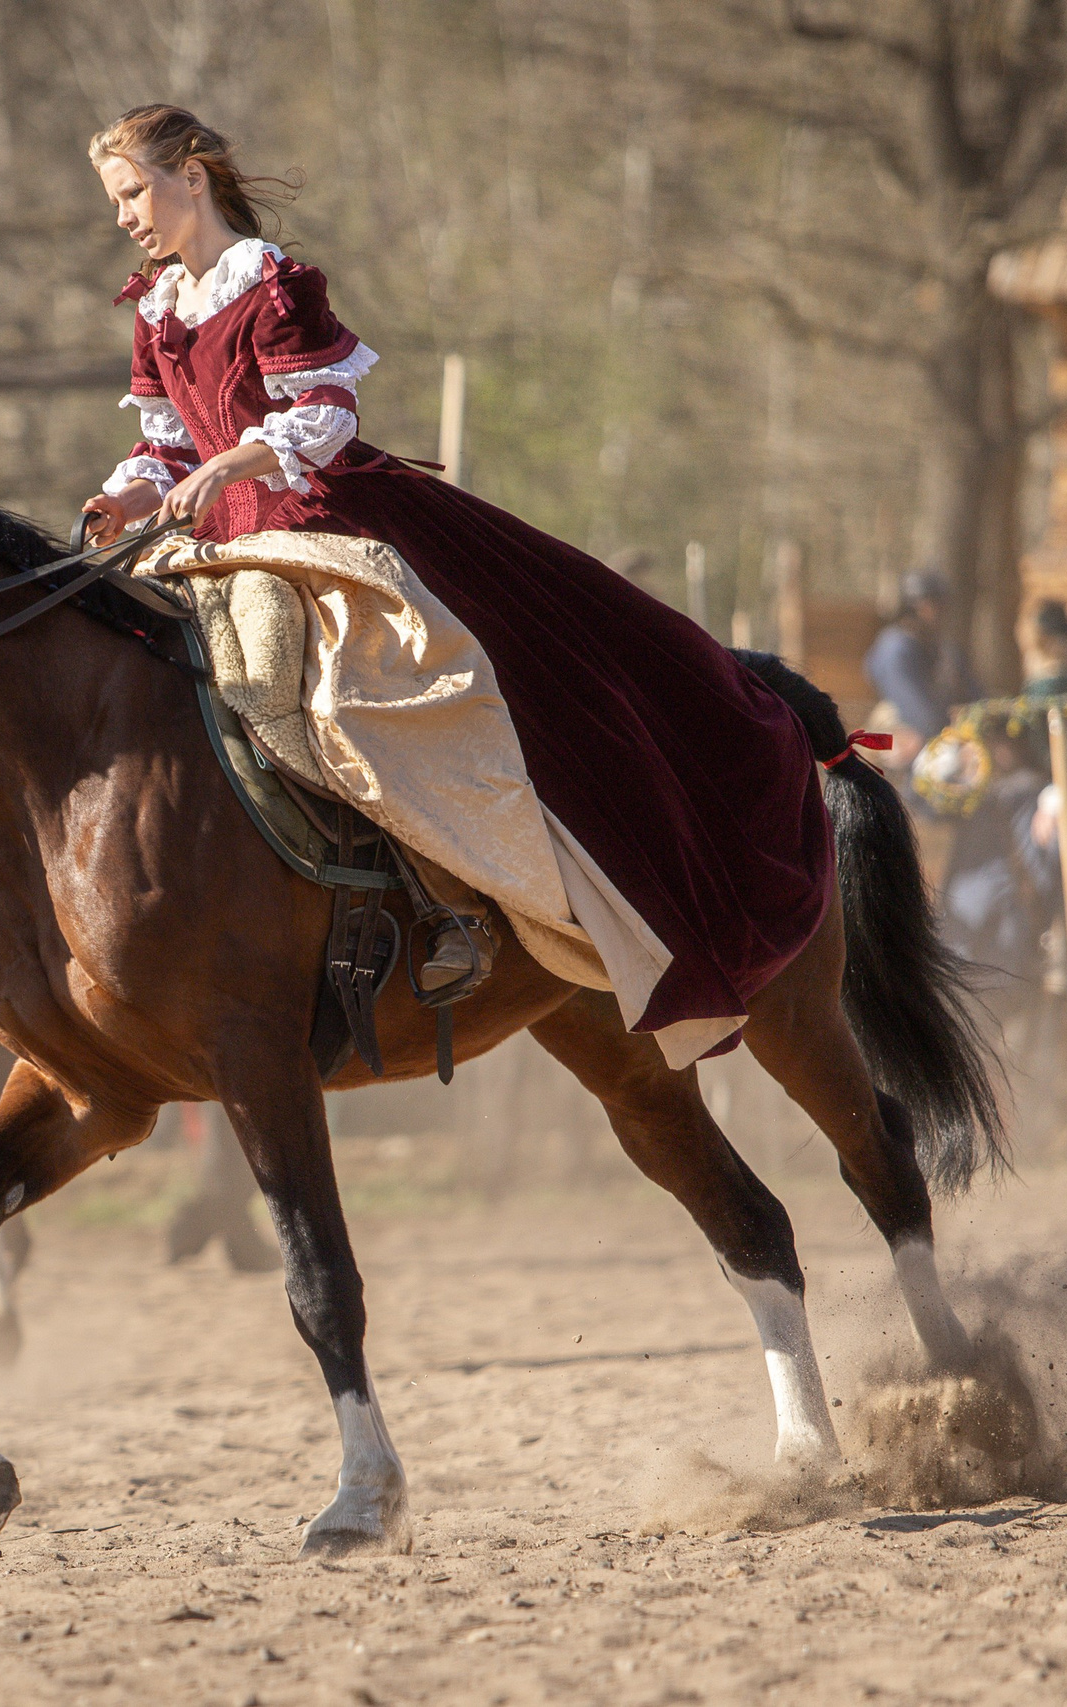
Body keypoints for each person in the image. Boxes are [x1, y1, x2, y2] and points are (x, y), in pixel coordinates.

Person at [76, 106, 832, 1068]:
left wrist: (229, 470)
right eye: (115, 202)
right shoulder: (155, 310)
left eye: (133, 192)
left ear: (193, 175)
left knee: (338, 696)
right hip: (205, 542)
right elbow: (162, 444)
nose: (125, 218)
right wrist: (124, 498)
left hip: (312, 524)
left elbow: (322, 415)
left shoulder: (274, 284)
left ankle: (449, 905)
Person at [863, 571, 980, 744]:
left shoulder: (944, 650)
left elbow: (977, 697)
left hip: (948, 737)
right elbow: (921, 717)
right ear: (912, 607)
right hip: (908, 745)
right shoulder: (894, 649)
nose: (941, 611)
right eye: (933, 604)